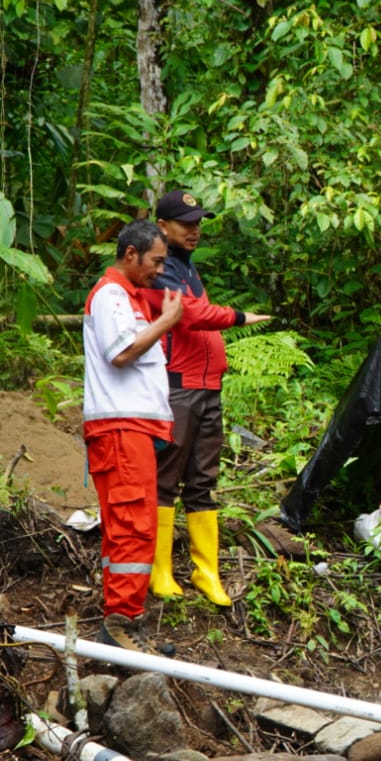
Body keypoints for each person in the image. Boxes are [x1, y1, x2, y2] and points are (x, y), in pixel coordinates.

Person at [141, 190, 272, 605]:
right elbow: (191, 315)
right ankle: (159, 570)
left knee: (203, 480)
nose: (194, 230)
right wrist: (238, 317)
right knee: (166, 478)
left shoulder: (187, 267)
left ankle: (206, 572)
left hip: (207, 385)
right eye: (186, 223)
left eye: (198, 223)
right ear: (162, 226)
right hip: (178, 386)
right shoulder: (160, 269)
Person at [83, 219, 184, 652]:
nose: (159, 270)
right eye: (156, 261)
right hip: (120, 429)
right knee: (133, 524)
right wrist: (166, 322)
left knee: (131, 524)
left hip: (133, 429)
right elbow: (122, 353)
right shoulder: (110, 296)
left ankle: (125, 620)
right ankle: (120, 624)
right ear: (130, 254)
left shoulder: (129, 298)